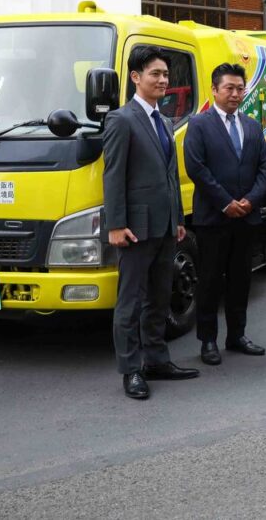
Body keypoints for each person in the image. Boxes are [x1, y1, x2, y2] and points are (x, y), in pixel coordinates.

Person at [104, 45, 199, 400]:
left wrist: (178, 219)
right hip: (135, 228)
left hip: (165, 227)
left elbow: (170, 175)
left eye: (165, 74)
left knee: (159, 298)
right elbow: (114, 175)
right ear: (135, 77)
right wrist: (115, 225)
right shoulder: (121, 119)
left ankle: (157, 361)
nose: (162, 80)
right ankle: (131, 370)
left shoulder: (165, 120)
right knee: (130, 302)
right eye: (155, 73)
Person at [183, 63, 266, 365]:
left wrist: (250, 200)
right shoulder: (199, 124)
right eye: (229, 88)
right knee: (209, 280)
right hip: (213, 218)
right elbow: (196, 168)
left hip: (246, 217)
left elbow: (264, 167)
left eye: (239, 88)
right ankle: (208, 340)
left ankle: (237, 335)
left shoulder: (253, 126)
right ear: (214, 90)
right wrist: (225, 202)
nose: (235, 94)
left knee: (240, 279)